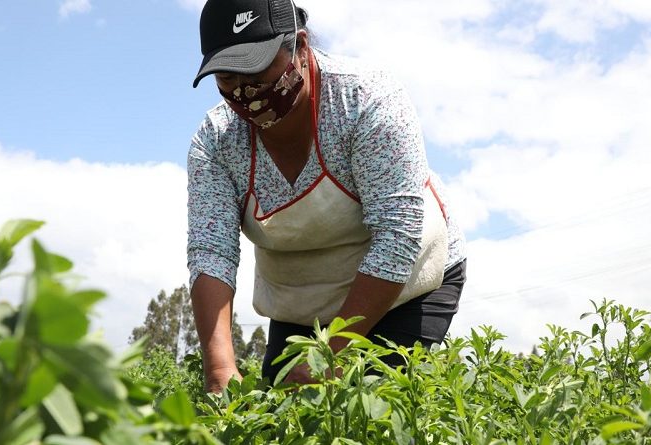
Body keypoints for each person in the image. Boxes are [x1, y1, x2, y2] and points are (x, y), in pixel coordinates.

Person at [187, 0, 467, 393]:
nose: (244, 90)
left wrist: (330, 354)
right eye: (228, 76)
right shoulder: (217, 142)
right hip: (306, 297)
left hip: (405, 284)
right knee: (285, 417)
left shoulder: (364, 100)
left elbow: (398, 234)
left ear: (300, 48)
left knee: (372, 406)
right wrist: (219, 370)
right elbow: (211, 253)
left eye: (256, 67)